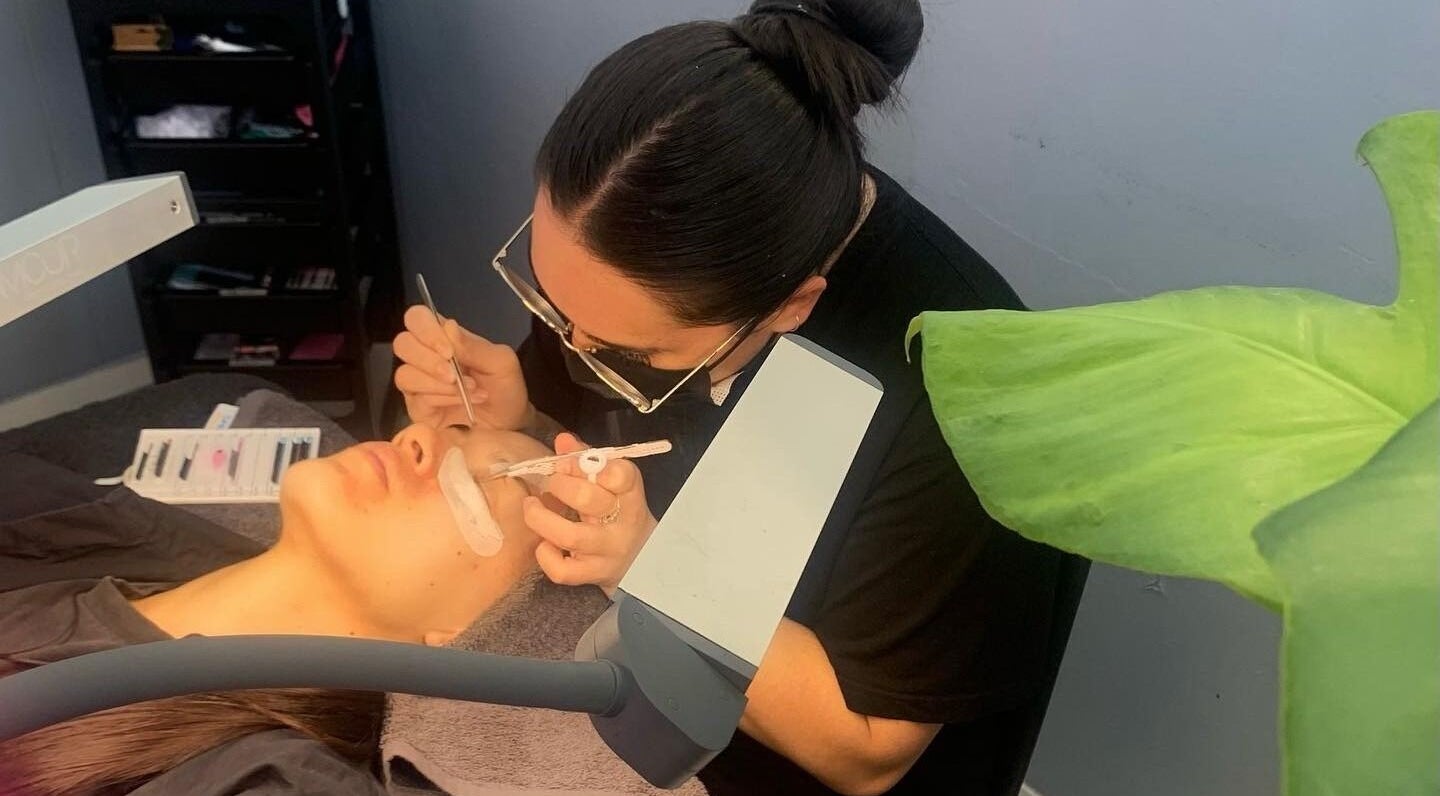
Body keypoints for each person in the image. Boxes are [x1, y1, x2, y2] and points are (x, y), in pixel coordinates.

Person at [392, 1, 1067, 794]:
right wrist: (522, 413)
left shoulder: (969, 405)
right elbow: (586, 414)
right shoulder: (635, 247)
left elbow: (867, 750)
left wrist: (655, 571)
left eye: (631, 352)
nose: (572, 345)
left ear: (790, 307)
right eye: (550, 301)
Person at [0, 424, 554, 796]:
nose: (417, 437)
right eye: (455, 430)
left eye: (486, 483)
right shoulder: (101, 528)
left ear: (473, 635)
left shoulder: (278, 779)